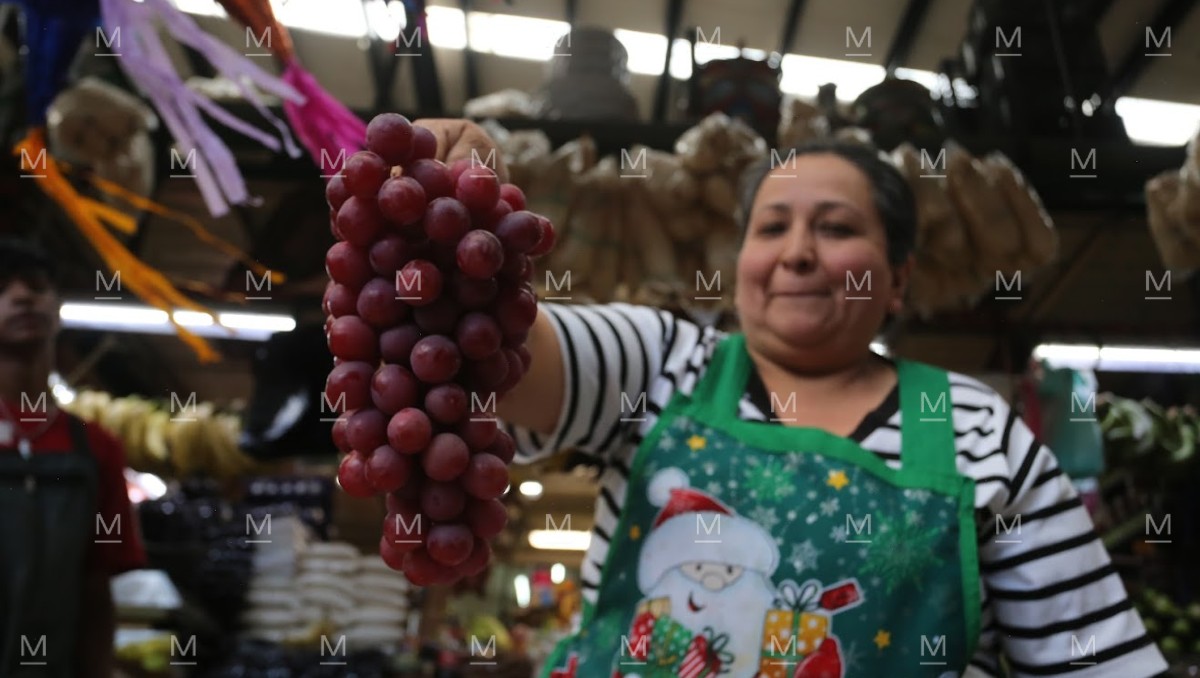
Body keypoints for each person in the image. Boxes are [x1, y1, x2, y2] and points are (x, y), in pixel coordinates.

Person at [420, 120, 1167, 676]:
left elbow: (1100, 659)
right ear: (740, 260)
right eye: (772, 227)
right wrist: (457, 233)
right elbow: (501, 360)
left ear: (899, 278)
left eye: (837, 228)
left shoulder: (976, 430)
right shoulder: (660, 362)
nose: (799, 251)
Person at [0, 238, 146, 677]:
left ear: (59, 308)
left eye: (38, 286)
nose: (23, 295)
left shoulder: (96, 447)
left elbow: (96, 585)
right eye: (2, 288)